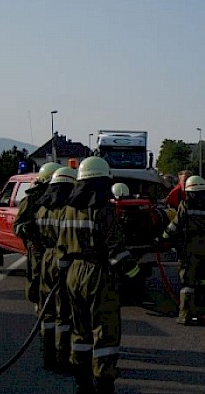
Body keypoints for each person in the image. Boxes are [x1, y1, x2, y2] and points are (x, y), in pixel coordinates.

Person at [58, 156, 141, 394]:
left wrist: (65, 275)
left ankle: (82, 380)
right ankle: (103, 383)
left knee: (80, 330)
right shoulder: (103, 210)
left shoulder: (68, 210)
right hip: (98, 274)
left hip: (74, 273)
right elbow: (116, 252)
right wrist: (134, 276)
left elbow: (62, 248)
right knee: (105, 332)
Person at [163, 175, 205, 324]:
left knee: (188, 282)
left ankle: (185, 315)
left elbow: (175, 225)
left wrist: (163, 237)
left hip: (190, 247)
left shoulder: (186, 204)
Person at [34, 166, 77, 374]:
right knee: (63, 313)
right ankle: (61, 359)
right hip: (61, 260)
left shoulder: (42, 208)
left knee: (47, 312)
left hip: (45, 260)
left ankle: (46, 356)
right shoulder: (66, 211)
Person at [14, 161, 61, 306]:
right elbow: (17, 227)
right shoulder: (30, 200)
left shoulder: (63, 198)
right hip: (38, 249)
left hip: (59, 249)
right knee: (38, 284)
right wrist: (28, 229)